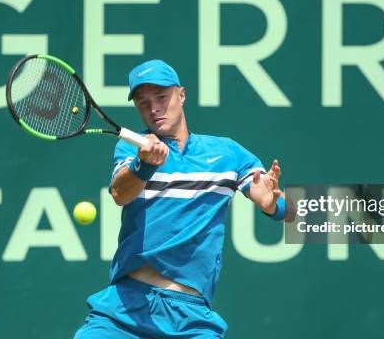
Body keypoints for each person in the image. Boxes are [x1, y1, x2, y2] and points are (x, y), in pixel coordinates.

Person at [74, 59, 294, 338]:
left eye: (161, 97)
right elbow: (120, 193)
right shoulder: (131, 149)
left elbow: (290, 212)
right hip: (123, 312)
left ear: (182, 94)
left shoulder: (228, 153)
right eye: (143, 102)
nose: (153, 108)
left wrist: (273, 205)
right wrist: (144, 165)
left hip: (190, 321)